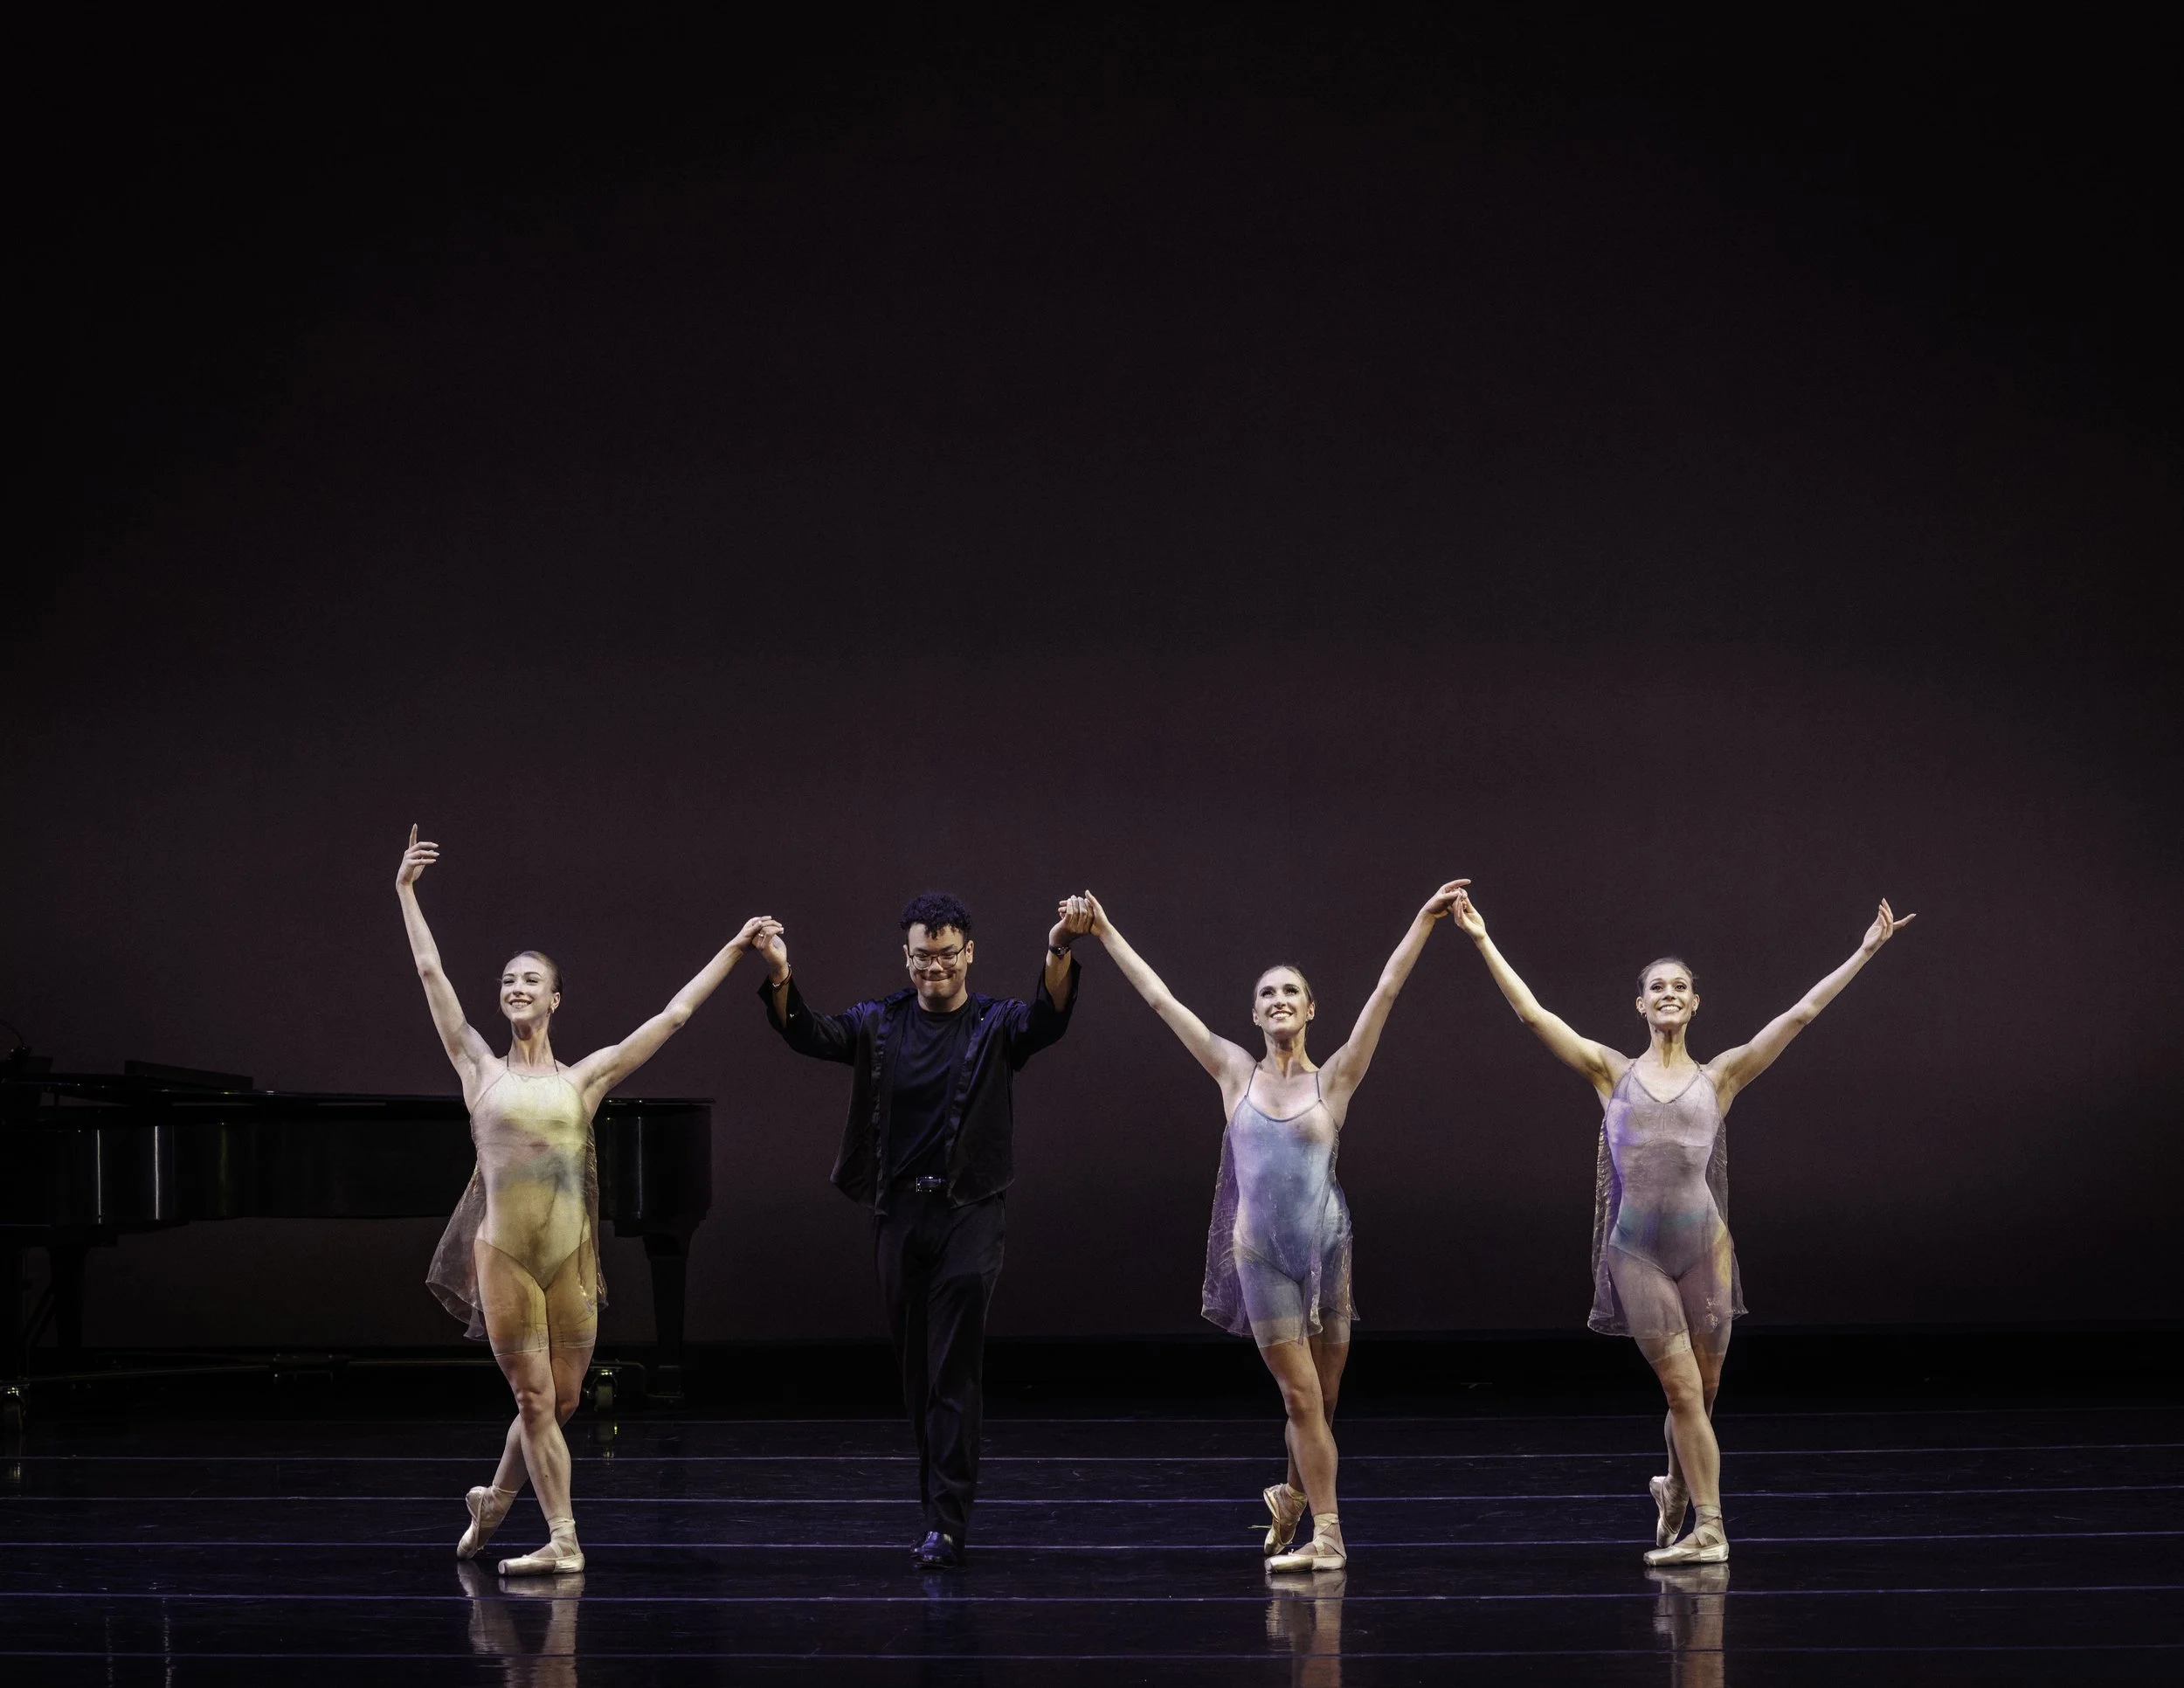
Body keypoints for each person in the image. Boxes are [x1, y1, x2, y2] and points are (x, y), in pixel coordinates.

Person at [1451, 888, 1915, 1564]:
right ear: (1640, 1004)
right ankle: (1710, 1527)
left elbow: (1801, 1015)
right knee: (1682, 1391)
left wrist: (1865, 951)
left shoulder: (1721, 1076)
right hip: (1637, 1254)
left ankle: (1672, 1486)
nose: (1669, 993)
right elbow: (1532, 1015)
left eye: (1680, 987)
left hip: (1706, 1251)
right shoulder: (1611, 1072)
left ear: (1695, 1003)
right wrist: (1482, 937)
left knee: (1705, 1391)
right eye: (1656, 987)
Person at [397, 825, 778, 1575]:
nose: (515, 988)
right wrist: (405, 892)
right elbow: (430, 972)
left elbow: (672, 1018)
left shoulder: (584, 1080)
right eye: (507, 980)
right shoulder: (478, 1067)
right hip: (504, 1257)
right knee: (534, 1403)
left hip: (569, 1259)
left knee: (562, 1405)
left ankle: (494, 1502)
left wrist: (735, 950)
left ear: (556, 998)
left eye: (530, 980)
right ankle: (564, 1540)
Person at [1077, 882, 1471, 1574]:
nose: (1280, 1000)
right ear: (1254, 1013)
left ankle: (1291, 1494)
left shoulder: (1337, 1078)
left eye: (1292, 991)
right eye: (1267, 994)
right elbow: (1161, 999)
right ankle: (1328, 1535)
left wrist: (1422, 921)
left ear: (1312, 1008)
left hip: (1327, 1249)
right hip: (1259, 1255)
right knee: (1300, 1397)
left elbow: (1384, 992)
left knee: (1323, 1402)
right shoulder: (1233, 1072)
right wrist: (1106, 932)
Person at [753, 889, 1089, 1569]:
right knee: (917, 1374)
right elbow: (811, 1033)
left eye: (944, 956)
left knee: (952, 1371)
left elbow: (1049, 1020)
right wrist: (780, 972)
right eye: (920, 958)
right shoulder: (880, 1022)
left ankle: (948, 1521)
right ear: (905, 957)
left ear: (968, 953)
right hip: (899, 1215)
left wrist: (1059, 947)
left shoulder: (997, 1023)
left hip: (970, 1211)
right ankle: (934, 1507)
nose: (932, 969)